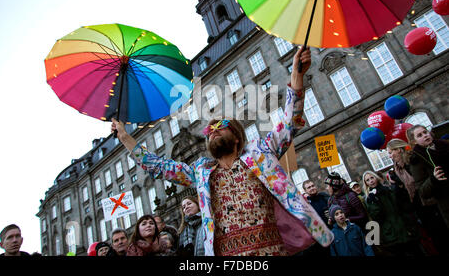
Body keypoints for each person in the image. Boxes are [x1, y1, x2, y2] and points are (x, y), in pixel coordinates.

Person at [112, 47, 334, 256]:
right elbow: (159, 167)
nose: (213, 132)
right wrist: (124, 136)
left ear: (237, 137)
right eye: (209, 131)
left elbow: (289, 123)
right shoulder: (201, 173)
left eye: (221, 127)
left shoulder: (261, 154)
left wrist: (297, 76)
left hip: (272, 250)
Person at [406, 125, 449, 255]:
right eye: (419, 135)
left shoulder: (445, 146)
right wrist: (434, 179)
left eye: (425, 132)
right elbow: (423, 192)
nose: (425, 135)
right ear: (414, 142)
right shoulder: (416, 160)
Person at [362, 170, 422, 256]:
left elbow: (401, 206)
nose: (371, 181)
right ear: (366, 184)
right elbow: (377, 217)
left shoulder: (389, 190)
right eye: (367, 180)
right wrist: (374, 202)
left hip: (404, 227)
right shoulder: (370, 199)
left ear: (376, 177)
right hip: (391, 234)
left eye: (372, 177)